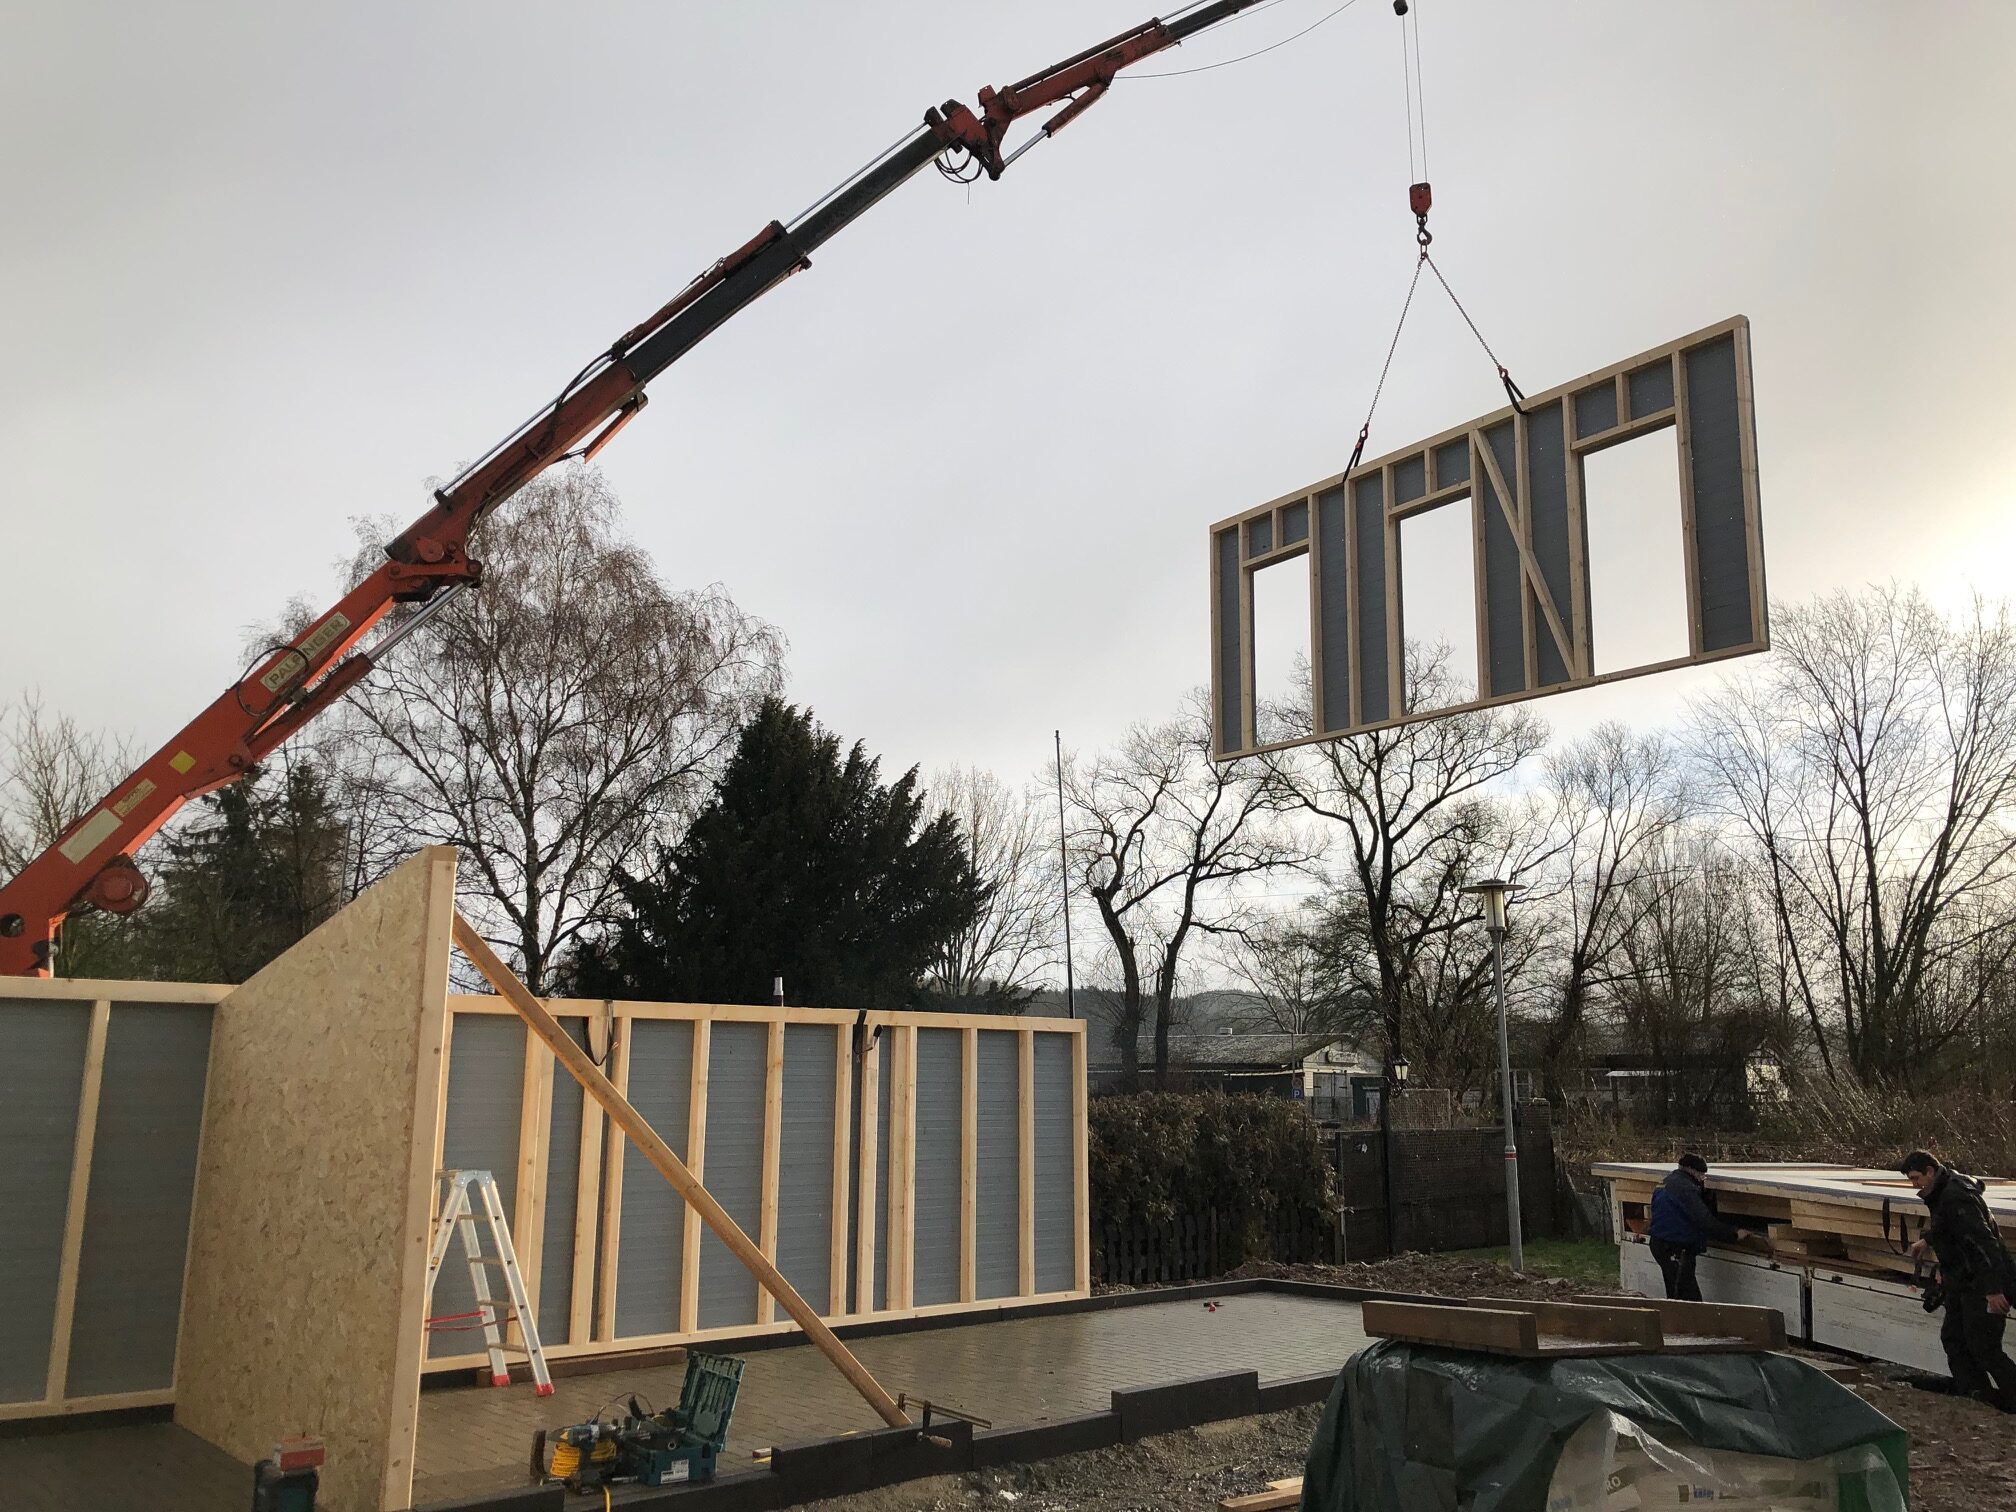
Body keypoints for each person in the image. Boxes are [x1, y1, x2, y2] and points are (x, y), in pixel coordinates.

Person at [1901, 1149, 2016, 1410]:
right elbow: (1951, 1226)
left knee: (1984, 1347)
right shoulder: (1945, 1191)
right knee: (1954, 1339)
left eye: (1916, 1178)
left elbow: (1983, 1243)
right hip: (1961, 1280)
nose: (1914, 1185)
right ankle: (1978, 1397)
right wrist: (1928, 1240)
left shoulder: (1956, 1197)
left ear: (1930, 1171)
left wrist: (1993, 1290)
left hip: (1979, 1282)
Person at [1647, 1152, 1754, 1301]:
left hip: (1660, 1243)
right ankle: (1686, 1316)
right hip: (1675, 1248)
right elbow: (1705, 1221)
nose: (1702, 1178)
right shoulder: (1686, 1189)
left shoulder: (1666, 1182)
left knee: (1676, 1290)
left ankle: (1676, 1315)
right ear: (1692, 1170)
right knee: (1688, 1297)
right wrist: (1733, 1234)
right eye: (1701, 1175)